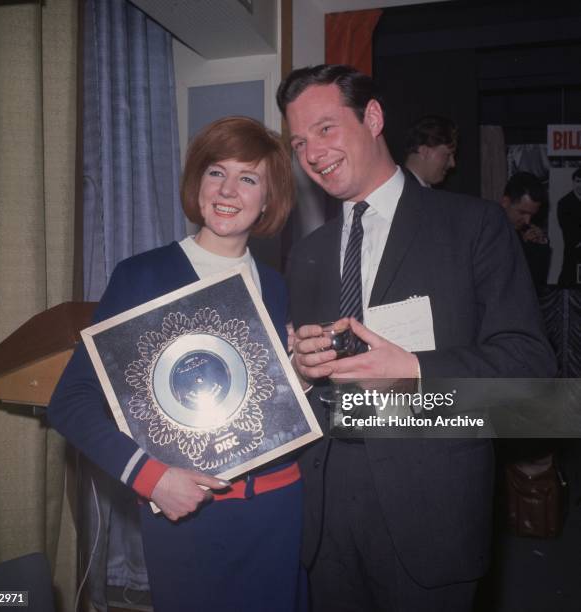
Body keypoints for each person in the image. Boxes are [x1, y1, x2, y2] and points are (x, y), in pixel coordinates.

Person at [276, 64, 556, 611]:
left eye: (327, 129)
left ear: (373, 117)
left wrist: (417, 373)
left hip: (430, 514)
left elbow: (532, 377)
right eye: (299, 141)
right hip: (326, 519)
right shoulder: (306, 254)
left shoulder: (473, 226)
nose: (313, 153)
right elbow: (311, 394)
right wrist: (302, 374)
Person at [48, 116, 306, 612]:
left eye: (248, 178)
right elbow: (70, 402)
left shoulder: (275, 286)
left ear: (269, 200)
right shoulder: (143, 275)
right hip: (190, 516)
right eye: (216, 172)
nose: (228, 190)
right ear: (197, 183)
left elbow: (272, 409)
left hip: (278, 510)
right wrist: (151, 478)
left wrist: (303, 375)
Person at [500, 171, 551, 286]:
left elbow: (535, 287)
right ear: (505, 202)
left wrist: (538, 246)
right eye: (522, 212)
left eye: (532, 215)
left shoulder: (524, 235)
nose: (527, 221)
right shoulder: (484, 231)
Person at [403, 115, 458, 187]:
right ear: (424, 151)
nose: (453, 164)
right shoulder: (407, 191)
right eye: (447, 155)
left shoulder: (412, 188)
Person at [557, 167, 581, 286]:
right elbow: (568, 231)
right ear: (573, 182)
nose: (580, 185)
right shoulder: (564, 203)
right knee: (569, 282)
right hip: (573, 253)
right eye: (578, 181)